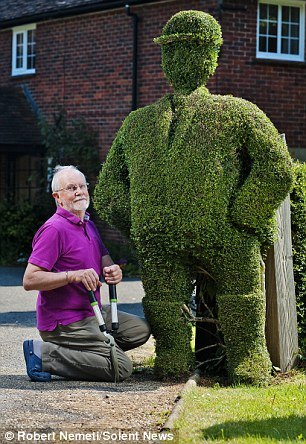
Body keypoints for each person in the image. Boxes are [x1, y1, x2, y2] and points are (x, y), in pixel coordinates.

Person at [23, 165, 150, 382]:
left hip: (92, 312)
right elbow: (30, 279)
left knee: (140, 330)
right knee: (121, 368)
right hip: (65, 322)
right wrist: (72, 275)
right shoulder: (54, 230)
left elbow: (105, 261)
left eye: (82, 186)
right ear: (58, 197)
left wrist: (114, 271)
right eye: (71, 188)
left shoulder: (88, 224)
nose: (79, 191)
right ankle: (45, 355)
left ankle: (94, 355)